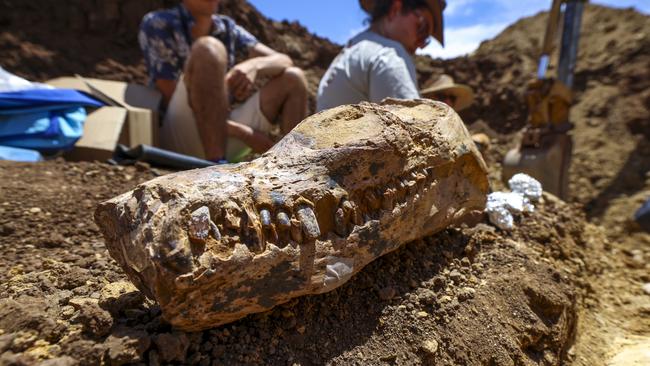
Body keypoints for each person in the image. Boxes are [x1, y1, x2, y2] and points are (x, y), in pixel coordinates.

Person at [139, 0, 308, 162]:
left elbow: (284, 60)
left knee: (294, 77)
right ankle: (215, 164)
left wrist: (254, 66)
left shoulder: (228, 28)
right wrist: (245, 134)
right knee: (208, 49)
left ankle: (293, 164)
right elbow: (168, 95)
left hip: (224, 132)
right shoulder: (159, 23)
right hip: (178, 137)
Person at [317, 0, 446, 112]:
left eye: (426, 40)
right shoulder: (389, 55)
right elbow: (415, 129)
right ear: (395, 9)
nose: (421, 45)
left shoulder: (353, 48)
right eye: (422, 28)